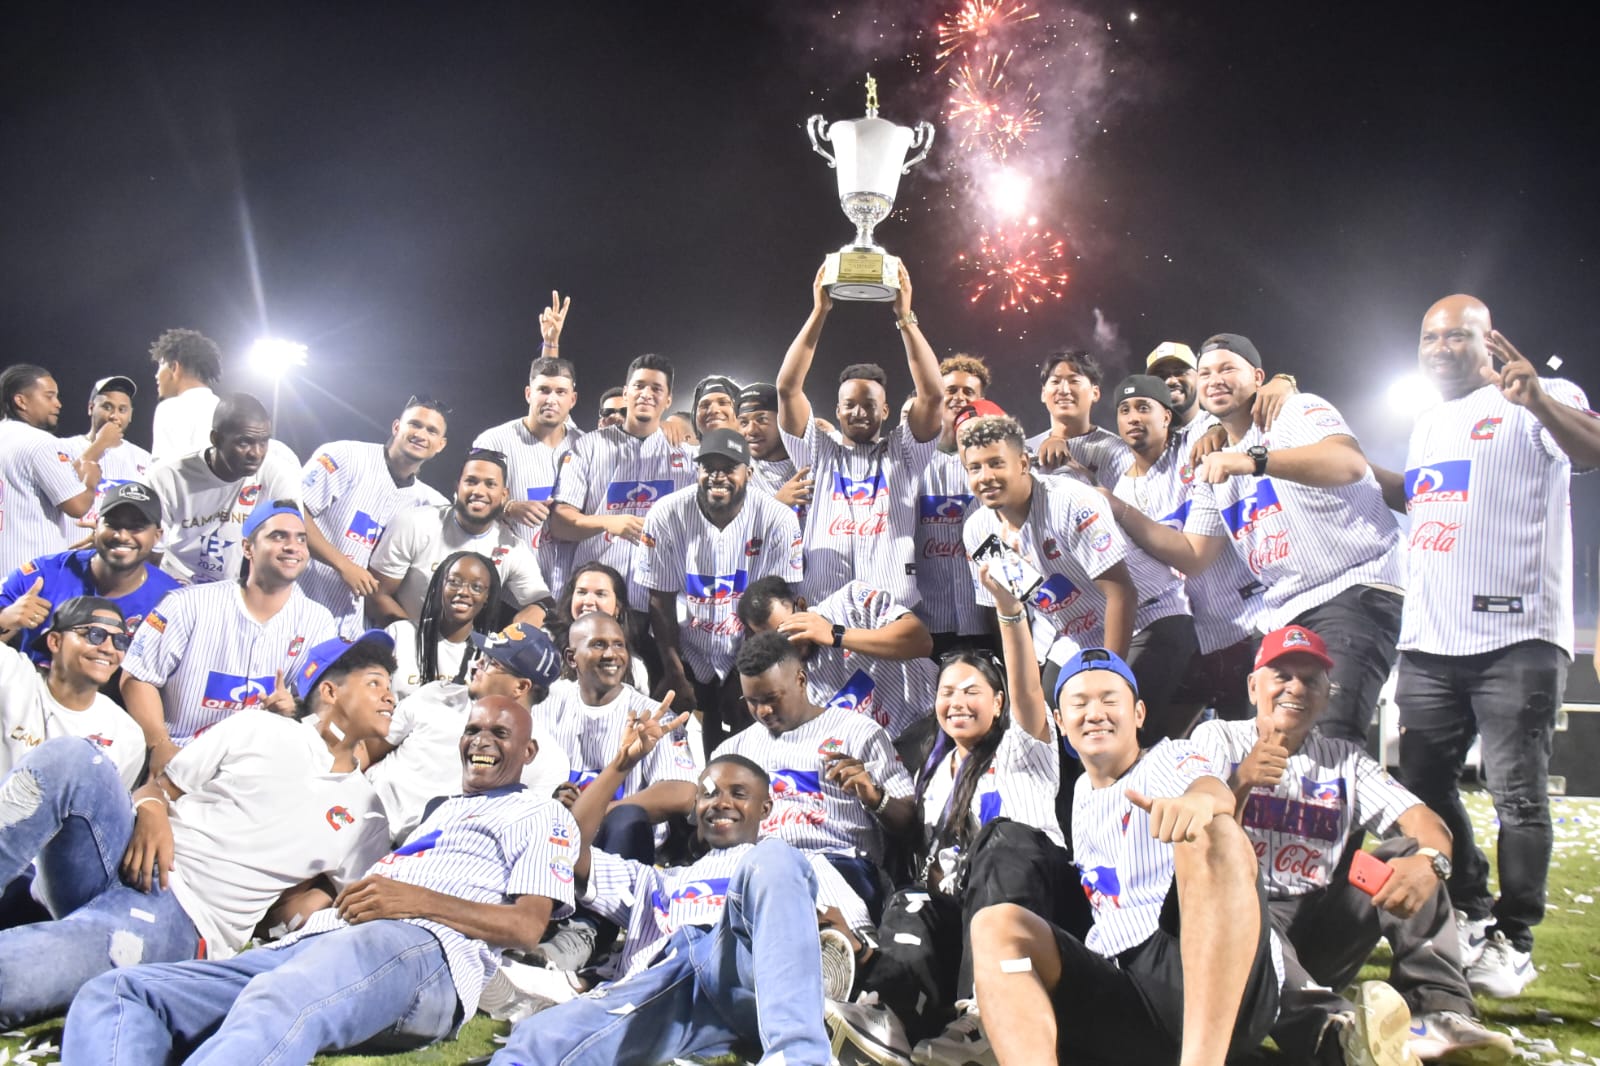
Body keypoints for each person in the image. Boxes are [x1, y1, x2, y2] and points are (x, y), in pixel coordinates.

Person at [62, 695, 579, 1065]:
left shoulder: (538, 813)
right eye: (473, 730)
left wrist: (416, 901)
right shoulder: (441, 812)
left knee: (281, 1000)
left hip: (423, 955)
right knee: (122, 991)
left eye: (499, 734)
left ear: (528, 754)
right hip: (321, 944)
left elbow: (527, 927)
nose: (480, 741)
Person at [0, 631, 396, 1027]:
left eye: (391, 688)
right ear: (330, 691)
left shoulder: (368, 815)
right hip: (125, 853)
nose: (390, 697)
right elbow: (159, 788)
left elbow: (338, 909)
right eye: (375, 683)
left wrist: (311, 905)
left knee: (24, 967)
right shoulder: (259, 728)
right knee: (73, 755)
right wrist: (152, 808)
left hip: (181, 919)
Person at [1382, 296, 1600, 997]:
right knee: (1420, 783)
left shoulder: (1539, 398)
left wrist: (1537, 400)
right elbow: (1424, 504)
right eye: (1430, 336)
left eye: (1458, 335)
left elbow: (1592, 450)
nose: (1441, 347)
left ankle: (1517, 937)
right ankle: (1474, 907)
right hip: (1431, 643)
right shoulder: (1426, 424)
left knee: (1518, 797)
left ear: (1489, 342)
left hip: (1517, 639)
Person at [1191, 624, 1514, 1065]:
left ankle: (1442, 1011)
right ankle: (1338, 1035)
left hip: (1320, 919)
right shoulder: (1217, 739)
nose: (1295, 688)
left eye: (1310, 679)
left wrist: (1431, 862)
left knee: (1409, 854)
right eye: (1281, 675)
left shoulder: (1346, 760)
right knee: (1248, 914)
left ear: (1327, 695)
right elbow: (1198, 825)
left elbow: (1426, 822)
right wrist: (1241, 781)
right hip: (1242, 923)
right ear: (1253, 686)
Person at [966, 647, 1280, 1066]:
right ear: (1060, 722)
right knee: (996, 925)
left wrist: (1197, 804)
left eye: (1110, 700)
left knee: (1215, 832)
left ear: (1139, 714)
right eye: (1079, 703)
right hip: (1126, 986)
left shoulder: (1165, 760)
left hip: (1202, 971)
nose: (1095, 712)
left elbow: (1212, 790)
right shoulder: (1079, 794)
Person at [491, 731, 866, 1066]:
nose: (720, 802)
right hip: (668, 986)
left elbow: (850, 945)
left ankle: (797, 1056)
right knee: (541, 1036)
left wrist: (817, 927)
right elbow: (569, 850)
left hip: (752, 976)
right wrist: (621, 765)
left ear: (765, 809)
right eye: (708, 793)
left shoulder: (798, 863)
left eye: (738, 794)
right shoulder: (657, 881)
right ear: (694, 809)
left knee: (774, 859)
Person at [828, 562, 1071, 1066]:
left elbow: (1029, 690)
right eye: (947, 692)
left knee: (1003, 838)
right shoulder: (934, 769)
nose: (956, 702)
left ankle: (986, 1015)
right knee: (913, 898)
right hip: (962, 918)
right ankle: (891, 1019)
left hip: (1033, 913)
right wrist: (875, 797)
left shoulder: (1025, 748)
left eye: (972, 692)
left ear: (999, 702)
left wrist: (1009, 614)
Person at [1106, 334, 1404, 744]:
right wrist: (1117, 508)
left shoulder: (1294, 409)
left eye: (1227, 368)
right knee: (1275, 747)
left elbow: (1349, 463)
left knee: (1327, 739)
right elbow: (1194, 554)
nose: (1215, 379)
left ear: (1259, 377)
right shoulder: (1212, 458)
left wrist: (1253, 461)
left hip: (1352, 589)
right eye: (1207, 372)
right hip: (1283, 609)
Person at [119, 501, 338, 774]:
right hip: (183, 754)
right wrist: (159, 743)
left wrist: (293, 709)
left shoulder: (318, 621)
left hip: (262, 768)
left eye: (301, 539)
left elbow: (322, 707)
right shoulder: (187, 604)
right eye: (278, 536)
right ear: (248, 548)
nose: (292, 546)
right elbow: (137, 677)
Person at [714, 630, 916, 919]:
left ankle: (846, 946)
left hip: (839, 864)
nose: (763, 711)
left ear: (801, 679)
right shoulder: (732, 752)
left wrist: (874, 796)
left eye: (772, 698)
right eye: (752, 701)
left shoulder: (857, 732)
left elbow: (909, 821)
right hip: (755, 869)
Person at [777, 264, 942, 610]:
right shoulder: (817, 452)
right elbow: (787, 388)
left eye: (869, 405)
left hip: (894, 611)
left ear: (886, 411)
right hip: (823, 608)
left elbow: (933, 395)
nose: (859, 412)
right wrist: (819, 312)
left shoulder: (904, 453)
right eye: (849, 405)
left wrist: (905, 317)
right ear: (836, 411)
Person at [1103, 377, 1262, 729]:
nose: (1133, 418)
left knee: (1252, 749)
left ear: (1167, 417)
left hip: (1244, 624)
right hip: (1190, 639)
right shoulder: (1119, 484)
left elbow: (1231, 414)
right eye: (1125, 410)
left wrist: (1282, 383)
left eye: (1144, 408)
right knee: (1160, 743)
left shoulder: (1195, 447)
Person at [637, 427, 805, 749]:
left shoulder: (778, 518)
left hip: (750, 642)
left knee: (753, 743)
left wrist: (748, 672)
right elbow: (660, 598)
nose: (717, 476)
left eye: (729, 468)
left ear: (749, 472)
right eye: (708, 467)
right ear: (696, 470)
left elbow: (777, 605)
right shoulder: (665, 513)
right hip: (688, 646)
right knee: (685, 741)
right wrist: (674, 671)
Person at [956, 406, 1138, 666]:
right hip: (1074, 638)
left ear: (1022, 464)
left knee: (1109, 700)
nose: (985, 477)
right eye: (974, 468)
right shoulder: (979, 530)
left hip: (1143, 617)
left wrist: (1109, 673)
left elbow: (1122, 594)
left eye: (996, 463)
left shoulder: (1069, 500)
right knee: (1045, 704)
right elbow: (1020, 605)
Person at [548, 352, 696, 669]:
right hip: (596, 602)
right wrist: (607, 522)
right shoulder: (588, 446)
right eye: (639, 385)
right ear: (625, 392)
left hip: (661, 604)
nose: (646, 393)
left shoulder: (685, 457)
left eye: (656, 388)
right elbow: (560, 524)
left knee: (657, 695)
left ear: (668, 399)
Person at [365, 620, 570, 843]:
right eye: (482, 655)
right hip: (362, 814)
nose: (477, 664)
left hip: (427, 852)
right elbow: (367, 749)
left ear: (521, 687)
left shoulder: (549, 760)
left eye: (492, 662)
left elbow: (520, 830)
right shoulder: (436, 694)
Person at [539, 612, 697, 861]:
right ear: (571, 658)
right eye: (598, 644)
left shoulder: (654, 716)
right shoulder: (545, 703)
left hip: (622, 849)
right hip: (553, 843)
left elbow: (683, 792)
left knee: (626, 819)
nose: (611, 654)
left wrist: (596, 810)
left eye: (618, 645)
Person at [298, 396, 451, 635]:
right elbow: (291, 511)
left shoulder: (433, 504)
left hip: (356, 631)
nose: (421, 434)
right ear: (396, 426)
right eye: (415, 424)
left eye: (432, 431)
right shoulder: (345, 456)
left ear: (441, 445)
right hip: (301, 605)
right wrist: (343, 564)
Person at [474, 291, 583, 596]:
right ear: (528, 394)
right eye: (543, 390)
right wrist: (507, 506)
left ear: (572, 400)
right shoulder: (493, 440)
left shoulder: (584, 445)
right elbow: (465, 500)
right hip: (508, 589)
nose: (551, 398)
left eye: (561, 393)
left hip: (570, 588)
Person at [0, 482, 179, 667]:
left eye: (136, 527)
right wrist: (5, 619)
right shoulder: (43, 574)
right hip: (33, 689)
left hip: (116, 694)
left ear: (157, 535)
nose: (122, 536)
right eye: (113, 524)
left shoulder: (171, 599)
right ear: (96, 526)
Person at [365, 448, 550, 627]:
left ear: (504, 495)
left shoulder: (512, 547)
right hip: (402, 644)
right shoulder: (414, 523)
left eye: (490, 484)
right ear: (457, 487)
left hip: (466, 654)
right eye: (471, 481)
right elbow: (377, 595)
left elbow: (544, 601)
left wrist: (539, 609)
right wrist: (413, 642)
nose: (479, 491)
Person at [739, 576, 937, 742]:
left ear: (802, 605)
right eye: (775, 640)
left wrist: (837, 635)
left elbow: (922, 641)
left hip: (934, 721)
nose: (790, 641)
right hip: (885, 760)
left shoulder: (849, 600)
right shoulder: (786, 680)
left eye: (789, 628)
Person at [145, 392, 302, 585]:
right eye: (244, 442)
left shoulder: (278, 473)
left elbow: (290, 544)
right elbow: (150, 553)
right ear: (216, 439)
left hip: (234, 589)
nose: (256, 453)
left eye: (263, 442)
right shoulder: (167, 476)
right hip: (173, 583)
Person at [0, 596, 144, 788]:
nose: (109, 649)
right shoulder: (12, 674)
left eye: (120, 641)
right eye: (95, 634)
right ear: (55, 641)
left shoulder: (127, 736)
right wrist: (3, 620)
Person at [913, 356, 994, 657]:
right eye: (951, 390)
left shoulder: (993, 465)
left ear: (980, 401)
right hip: (929, 622)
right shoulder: (913, 462)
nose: (959, 397)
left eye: (968, 392)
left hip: (987, 617)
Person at [0, 364, 96, 575]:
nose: (58, 404)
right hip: (29, 575)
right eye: (49, 396)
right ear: (21, 401)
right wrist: (90, 480)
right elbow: (77, 506)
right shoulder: (41, 443)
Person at [386, 550, 499, 698]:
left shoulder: (491, 653)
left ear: (487, 597)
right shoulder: (400, 633)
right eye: (454, 582)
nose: (464, 592)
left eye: (476, 587)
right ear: (440, 586)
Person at [55, 374, 154, 539]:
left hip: (116, 554)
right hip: (68, 550)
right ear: (91, 408)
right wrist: (101, 443)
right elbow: (63, 489)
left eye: (122, 410)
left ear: (130, 415)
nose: (114, 416)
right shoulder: (62, 448)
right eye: (107, 407)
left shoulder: (144, 459)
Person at [1027, 349, 1131, 488]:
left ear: (1095, 393)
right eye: (1055, 381)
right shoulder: (1026, 449)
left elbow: (1129, 506)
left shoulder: (1118, 451)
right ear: (1043, 393)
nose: (1064, 390)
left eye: (1074, 381)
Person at [148, 327, 224, 463]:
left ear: (174, 368)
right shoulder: (225, 409)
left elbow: (162, 471)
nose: (156, 375)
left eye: (160, 365)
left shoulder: (169, 408)